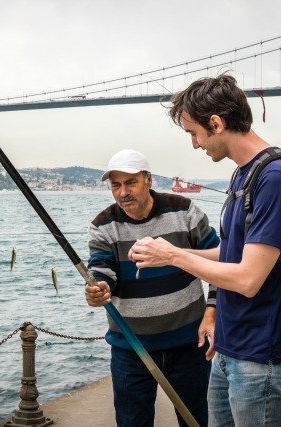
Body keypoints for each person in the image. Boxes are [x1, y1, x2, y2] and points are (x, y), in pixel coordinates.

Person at [128, 74, 281, 426]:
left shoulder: (276, 178)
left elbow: (247, 279)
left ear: (216, 123)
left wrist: (174, 257)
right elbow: (233, 255)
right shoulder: (246, 173)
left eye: (193, 133)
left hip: (263, 355)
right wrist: (172, 250)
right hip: (231, 344)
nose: (195, 144)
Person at [85, 148, 220, 427]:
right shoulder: (103, 225)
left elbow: (222, 260)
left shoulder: (184, 211)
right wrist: (99, 288)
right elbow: (101, 267)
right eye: (116, 185)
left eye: (131, 182)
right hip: (130, 349)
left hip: (188, 344)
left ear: (148, 179)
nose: (123, 192)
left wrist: (212, 311)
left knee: (197, 419)